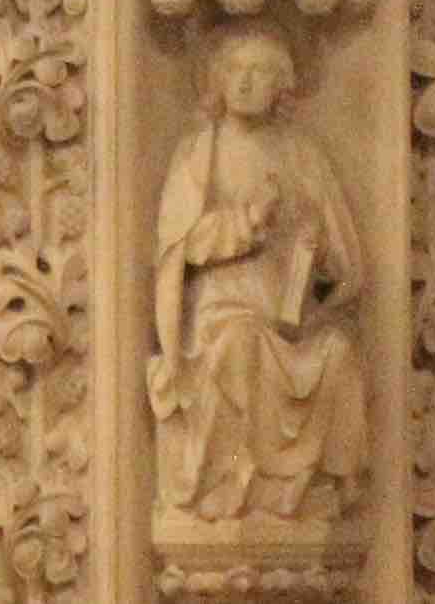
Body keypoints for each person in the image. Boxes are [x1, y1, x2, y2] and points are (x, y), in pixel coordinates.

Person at [148, 25, 369, 523]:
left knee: (338, 356)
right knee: (237, 345)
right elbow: (179, 246)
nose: (245, 82)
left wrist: (316, 257)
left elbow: (347, 265)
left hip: (288, 319)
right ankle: (229, 489)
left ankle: (305, 495)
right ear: (218, 80)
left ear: (282, 86)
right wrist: (246, 222)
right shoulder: (200, 151)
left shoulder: (302, 155)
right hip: (220, 314)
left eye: (260, 72)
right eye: (236, 71)